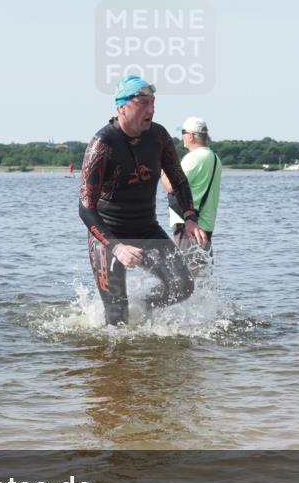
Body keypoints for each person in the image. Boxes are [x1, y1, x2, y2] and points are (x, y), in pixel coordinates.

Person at [79, 76, 207, 325]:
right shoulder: (102, 145)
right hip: (108, 235)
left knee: (183, 286)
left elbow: (178, 181)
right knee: (117, 314)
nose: (151, 110)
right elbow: (86, 209)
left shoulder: (158, 136)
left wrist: (190, 217)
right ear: (122, 107)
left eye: (153, 103)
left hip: (146, 229)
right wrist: (116, 246)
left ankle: (144, 309)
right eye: (143, 103)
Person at [160, 117, 222, 262]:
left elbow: (170, 185)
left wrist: (163, 165)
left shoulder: (194, 158)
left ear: (191, 136)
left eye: (183, 132)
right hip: (206, 224)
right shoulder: (214, 158)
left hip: (189, 224)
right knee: (202, 273)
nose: (182, 137)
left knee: (186, 273)